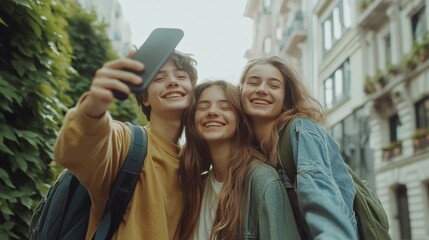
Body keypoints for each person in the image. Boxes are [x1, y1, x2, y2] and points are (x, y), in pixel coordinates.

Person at [54, 50, 198, 239]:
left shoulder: (193, 165)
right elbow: (76, 148)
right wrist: (95, 104)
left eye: (181, 76)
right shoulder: (128, 142)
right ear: (145, 98)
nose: (172, 81)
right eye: (158, 78)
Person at [239, 56, 359, 240]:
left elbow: (320, 193)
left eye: (274, 85)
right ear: (240, 91)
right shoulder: (250, 150)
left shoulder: (301, 130)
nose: (262, 90)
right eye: (253, 82)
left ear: (286, 99)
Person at [178, 80, 299, 240]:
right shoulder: (197, 186)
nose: (212, 112)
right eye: (203, 107)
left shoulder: (263, 181)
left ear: (240, 119)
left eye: (225, 107)